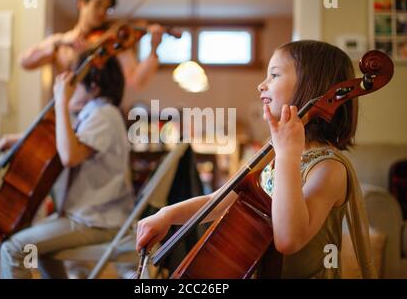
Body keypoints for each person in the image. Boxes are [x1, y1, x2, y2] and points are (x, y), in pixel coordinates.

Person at [135, 40, 377, 279]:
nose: (262, 85)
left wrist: (287, 157)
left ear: (311, 86)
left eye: (274, 75)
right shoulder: (272, 155)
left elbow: (289, 239)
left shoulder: (328, 168)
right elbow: (218, 201)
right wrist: (165, 214)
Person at [0, 55, 134, 278]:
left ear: (93, 86)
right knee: (38, 247)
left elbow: (69, 155)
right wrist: (16, 140)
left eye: (75, 84)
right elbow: (62, 143)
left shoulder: (104, 115)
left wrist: (61, 101)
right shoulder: (96, 114)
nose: (71, 90)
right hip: (87, 217)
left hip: (96, 221)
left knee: (13, 249)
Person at [19, 0, 164, 90]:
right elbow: (25, 62)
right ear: (82, 3)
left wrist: (153, 51)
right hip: (69, 116)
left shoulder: (112, 43)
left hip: (100, 118)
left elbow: (136, 82)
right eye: (97, 4)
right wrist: (60, 41)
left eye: (107, 8)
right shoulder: (61, 42)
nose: (102, 12)